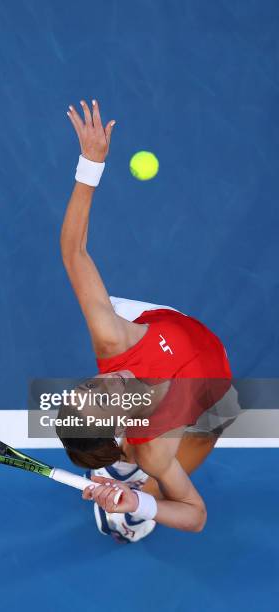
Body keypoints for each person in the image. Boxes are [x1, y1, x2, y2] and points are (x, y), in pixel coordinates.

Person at [59, 99, 240, 542]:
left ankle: (117, 468)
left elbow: (73, 253)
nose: (104, 380)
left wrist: (90, 165)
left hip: (162, 324)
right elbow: (195, 515)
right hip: (207, 382)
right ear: (121, 424)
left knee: (111, 318)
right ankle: (128, 514)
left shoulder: (112, 342)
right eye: (102, 395)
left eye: (88, 384)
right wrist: (140, 502)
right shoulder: (155, 446)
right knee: (172, 468)